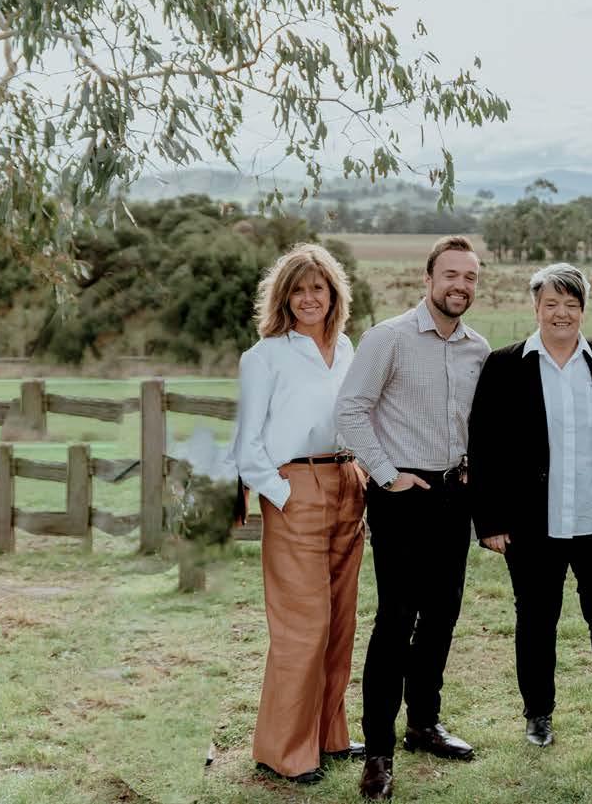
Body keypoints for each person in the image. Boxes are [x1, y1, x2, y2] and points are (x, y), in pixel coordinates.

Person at [468, 263, 592, 756]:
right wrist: (491, 521)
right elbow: (483, 446)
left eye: (571, 304)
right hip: (532, 526)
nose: (561, 313)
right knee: (535, 621)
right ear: (536, 308)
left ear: (583, 310)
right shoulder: (505, 366)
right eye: (551, 304)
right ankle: (538, 715)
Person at [335, 235, 490, 801]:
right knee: (397, 620)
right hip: (402, 495)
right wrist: (385, 474)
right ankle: (378, 752)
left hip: (453, 496)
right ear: (428, 279)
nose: (460, 286)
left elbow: (477, 424)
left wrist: (473, 468)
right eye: (450, 275)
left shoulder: (478, 348)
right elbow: (350, 410)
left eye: (469, 277)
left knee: (443, 614)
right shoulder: (389, 338)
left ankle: (424, 723)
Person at [233, 243, 364, 785]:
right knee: (302, 627)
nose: (309, 298)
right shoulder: (264, 356)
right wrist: (282, 495)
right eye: (298, 290)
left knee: (340, 622)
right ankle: (284, 751)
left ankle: (329, 736)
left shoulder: (347, 347)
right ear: (283, 298)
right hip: (296, 488)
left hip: (347, 482)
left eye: (318, 288)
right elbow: (247, 447)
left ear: (334, 293)